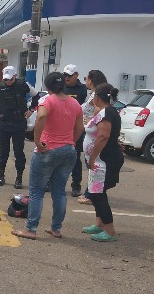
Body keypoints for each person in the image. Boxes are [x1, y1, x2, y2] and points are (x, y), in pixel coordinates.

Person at [12, 72, 84, 240]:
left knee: (36, 191)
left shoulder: (47, 100)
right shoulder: (75, 103)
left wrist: (37, 140)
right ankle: (56, 228)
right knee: (59, 191)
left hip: (48, 149)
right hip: (68, 151)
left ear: (47, 86)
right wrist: (70, 141)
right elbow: (80, 127)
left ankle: (31, 228)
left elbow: (42, 115)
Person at [81, 83, 124, 242]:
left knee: (97, 194)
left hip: (104, 160)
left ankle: (109, 230)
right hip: (101, 160)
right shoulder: (106, 111)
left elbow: (103, 137)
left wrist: (92, 157)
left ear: (98, 97)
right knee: (97, 192)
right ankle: (99, 224)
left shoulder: (107, 113)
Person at [0, 65, 38, 189]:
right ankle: (1, 176)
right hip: (4, 123)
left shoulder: (23, 85)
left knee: (18, 152)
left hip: (18, 123)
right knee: (3, 151)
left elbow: (36, 96)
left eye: (10, 79)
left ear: (15, 76)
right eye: (5, 79)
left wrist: (31, 110)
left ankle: (19, 178)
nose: (7, 82)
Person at [77, 70, 108, 205]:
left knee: (93, 164)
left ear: (91, 80)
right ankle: (91, 192)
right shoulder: (94, 94)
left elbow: (93, 111)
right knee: (92, 164)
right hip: (90, 131)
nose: (85, 81)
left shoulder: (97, 96)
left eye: (86, 78)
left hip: (94, 133)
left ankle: (91, 194)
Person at [62, 64, 89, 197]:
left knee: (75, 157)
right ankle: (52, 183)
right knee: (56, 156)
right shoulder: (60, 86)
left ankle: (76, 185)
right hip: (60, 126)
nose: (67, 78)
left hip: (75, 127)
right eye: (65, 75)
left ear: (76, 75)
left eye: (69, 75)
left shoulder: (82, 89)